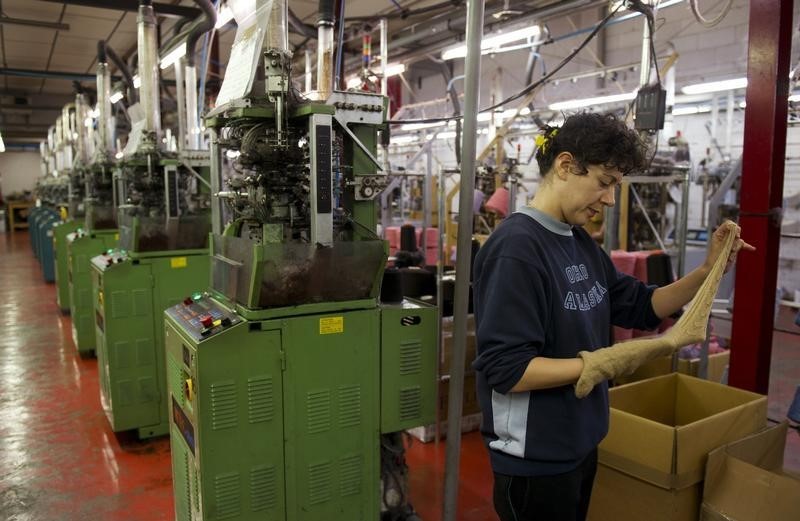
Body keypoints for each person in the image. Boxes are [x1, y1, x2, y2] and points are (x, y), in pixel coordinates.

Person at [471, 112, 753, 521]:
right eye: (605, 183)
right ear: (565, 166)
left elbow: (638, 304)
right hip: (535, 457)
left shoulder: (579, 243)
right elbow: (507, 370)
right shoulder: (516, 250)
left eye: (615, 186)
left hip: (580, 443)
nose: (609, 199)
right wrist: (600, 362)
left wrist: (706, 271)